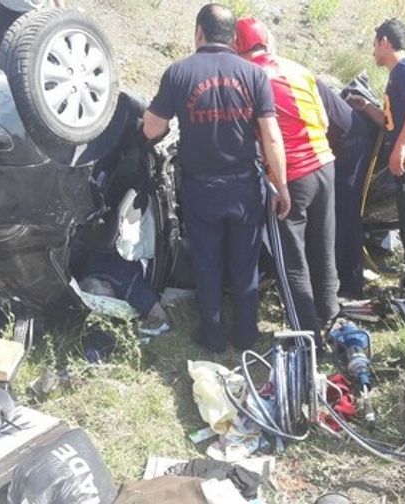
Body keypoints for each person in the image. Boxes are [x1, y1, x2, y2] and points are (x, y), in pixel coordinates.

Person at [142, 4, 290, 353]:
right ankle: (246, 334)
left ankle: (211, 335)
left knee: (207, 262)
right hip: (244, 185)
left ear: (198, 32)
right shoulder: (254, 75)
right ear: (234, 38)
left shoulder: (178, 73)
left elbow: (152, 128)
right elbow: (271, 136)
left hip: (201, 187)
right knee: (245, 261)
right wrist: (281, 185)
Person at [234, 17, 339, 343]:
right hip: (325, 164)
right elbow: (322, 120)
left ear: (237, 48)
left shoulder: (248, 79)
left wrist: (278, 181)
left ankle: (307, 340)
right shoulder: (298, 68)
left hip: (291, 175)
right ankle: (330, 316)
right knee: (323, 250)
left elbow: (252, 132)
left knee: (291, 262)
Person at [348, 18, 405, 288]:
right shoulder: (396, 76)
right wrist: (367, 107)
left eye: (375, 45)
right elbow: (390, 123)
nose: (373, 51)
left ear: (385, 42)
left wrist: (400, 147)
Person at [315, 79, 376, 299]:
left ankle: (350, 286)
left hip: (351, 144)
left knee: (345, 215)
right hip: (339, 144)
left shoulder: (288, 83)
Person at [0, 0, 66, 55]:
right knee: (4, 58)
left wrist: (63, 15)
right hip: (7, 12)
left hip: (35, 15)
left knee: (30, 62)